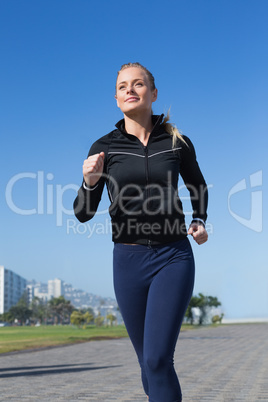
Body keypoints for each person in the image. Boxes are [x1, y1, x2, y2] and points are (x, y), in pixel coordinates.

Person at [73, 62, 208, 402]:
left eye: (138, 84)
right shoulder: (104, 147)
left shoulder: (177, 142)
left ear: (154, 93)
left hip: (173, 255)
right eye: (122, 86)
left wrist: (199, 219)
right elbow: (83, 214)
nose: (130, 90)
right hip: (128, 260)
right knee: (148, 365)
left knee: (157, 358)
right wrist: (89, 182)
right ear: (117, 98)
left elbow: (198, 186)